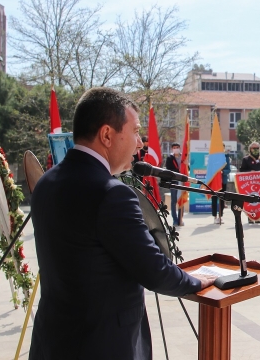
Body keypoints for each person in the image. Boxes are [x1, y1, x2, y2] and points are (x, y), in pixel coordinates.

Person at [29, 87, 215, 360]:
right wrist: (196, 280)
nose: (140, 143)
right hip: (102, 346)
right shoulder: (111, 193)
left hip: (53, 343)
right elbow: (154, 271)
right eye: (136, 131)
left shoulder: (46, 182)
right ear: (106, 135)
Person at [240, 141, 260, 224]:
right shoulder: (246, 159)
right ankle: (250, 217)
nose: (255, 150)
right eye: (254, 148)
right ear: (250, 149)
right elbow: (242, 170)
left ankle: (258, 217)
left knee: (259, 201)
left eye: (257, 148)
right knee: (250, 202)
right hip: (249, 185)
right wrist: (250, 171)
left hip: (259, 185)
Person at [165, 142, 182, 226]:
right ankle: (175, 219)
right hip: (173, 181)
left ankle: (180, 219)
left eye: (177, 147)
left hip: (182, 182)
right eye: (174, 147)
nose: (176, 149)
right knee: (174, 201)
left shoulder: (183, 157)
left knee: (181, 200)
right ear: (172, 149)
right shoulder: (169, 158)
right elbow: (169, 169)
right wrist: (178, 172)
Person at [212, 150, 231, 224]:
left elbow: (228, 169)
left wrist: (223, 172)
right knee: (214, 199)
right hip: (214, 181)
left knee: (222, 199)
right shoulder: (213, 157)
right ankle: (215, 216)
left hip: (223, 181)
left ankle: (220, 216)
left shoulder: (226, 157)